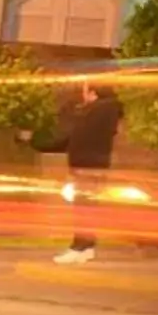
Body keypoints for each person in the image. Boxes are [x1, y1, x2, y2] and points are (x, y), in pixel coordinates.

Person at [54, 79, 124, 265]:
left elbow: (76, 136)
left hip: (86, 166)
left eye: (85, 91)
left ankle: (79, 247)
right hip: (97, 165)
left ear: (94, 92)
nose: (82, 95)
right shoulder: (108, 111)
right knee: (89, 208)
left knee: (83, 208)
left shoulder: (94, 111)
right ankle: (87, 247)